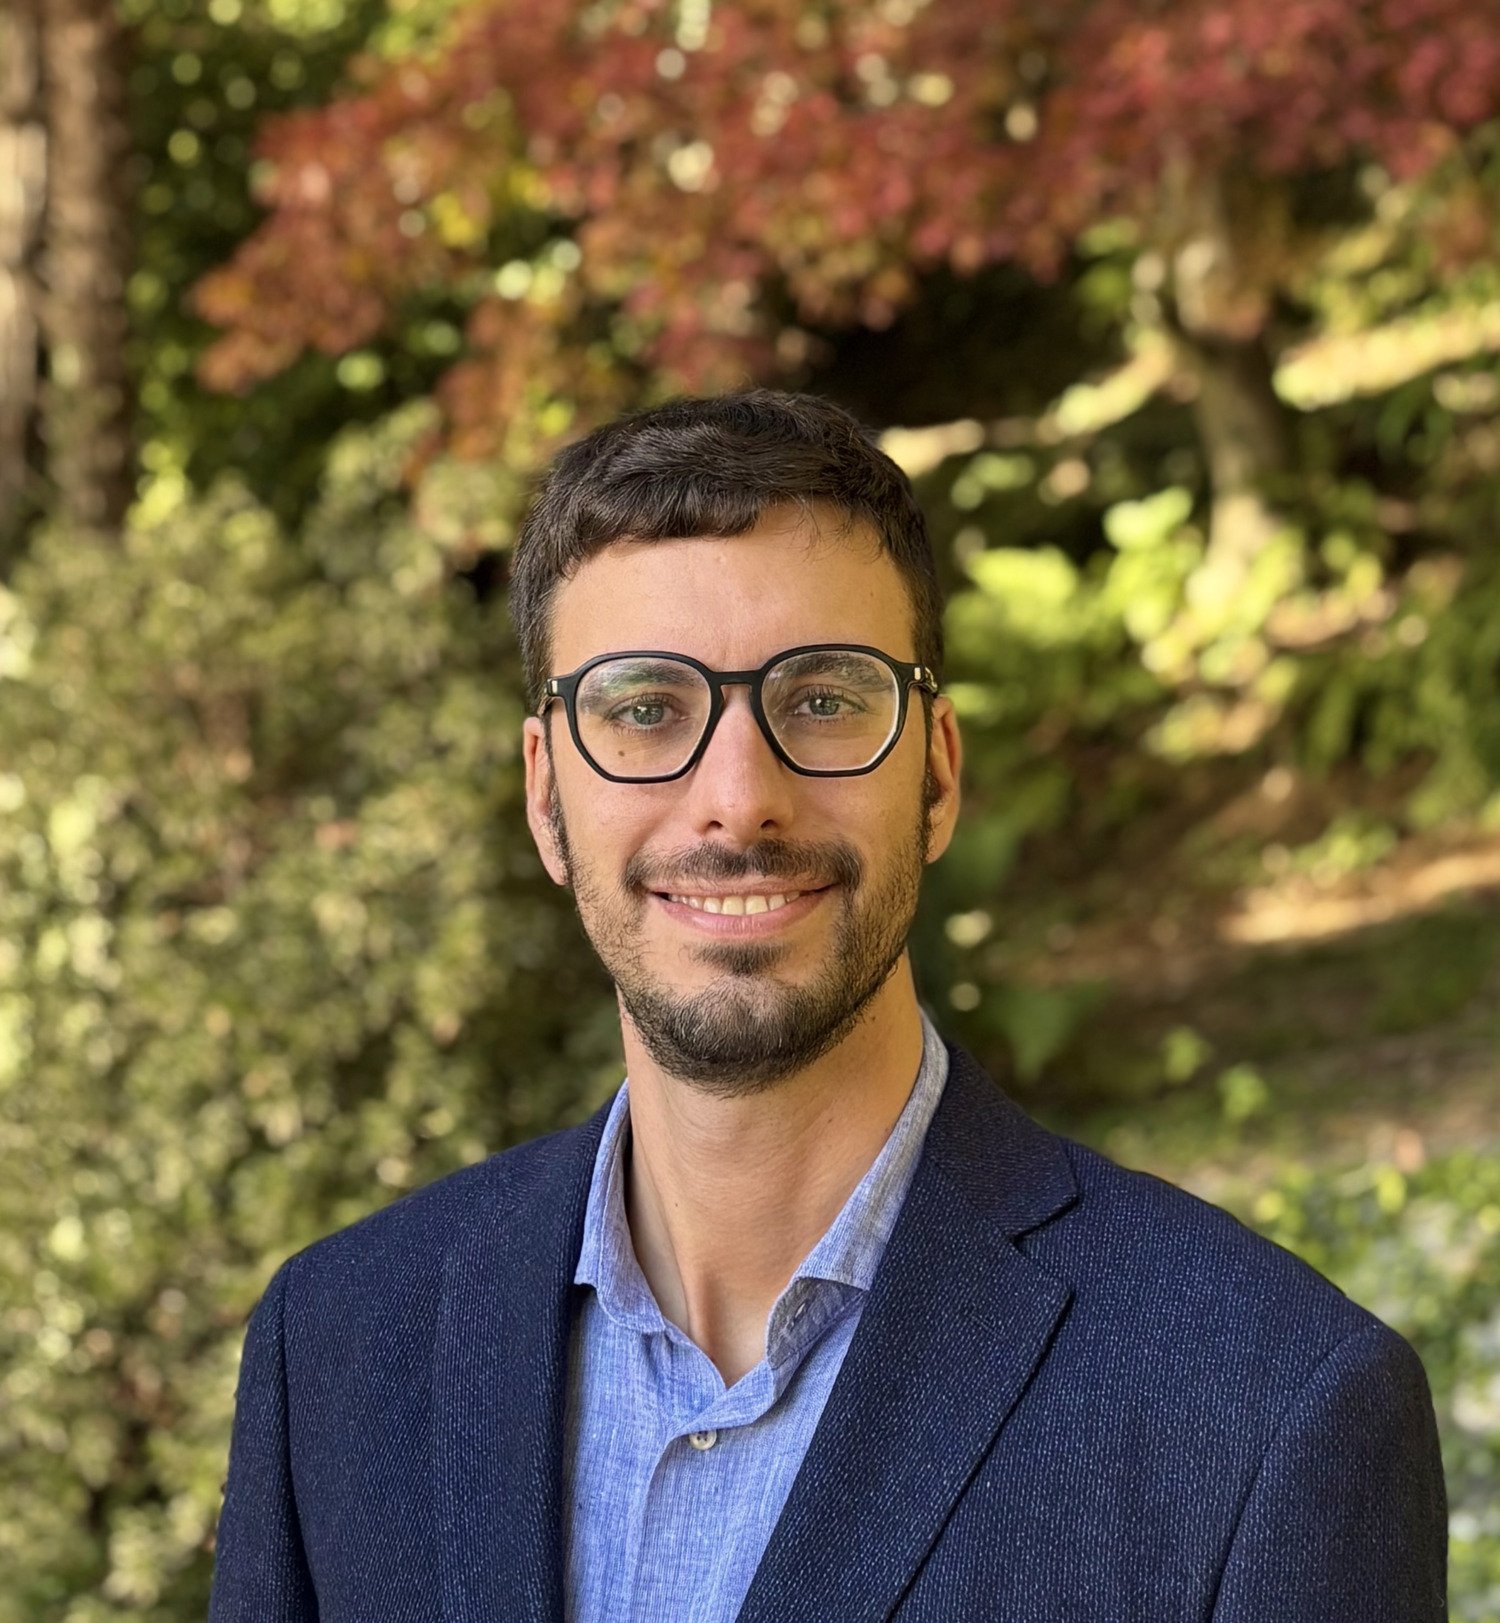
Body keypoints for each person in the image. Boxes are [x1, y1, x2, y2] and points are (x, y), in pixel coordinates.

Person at [209, 389, 1447, 1623]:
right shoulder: (337, 1351)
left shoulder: (1268, 1409)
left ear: (940, 773)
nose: (738, 800)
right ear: (546, 798)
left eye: (823, 700)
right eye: (645, 711)